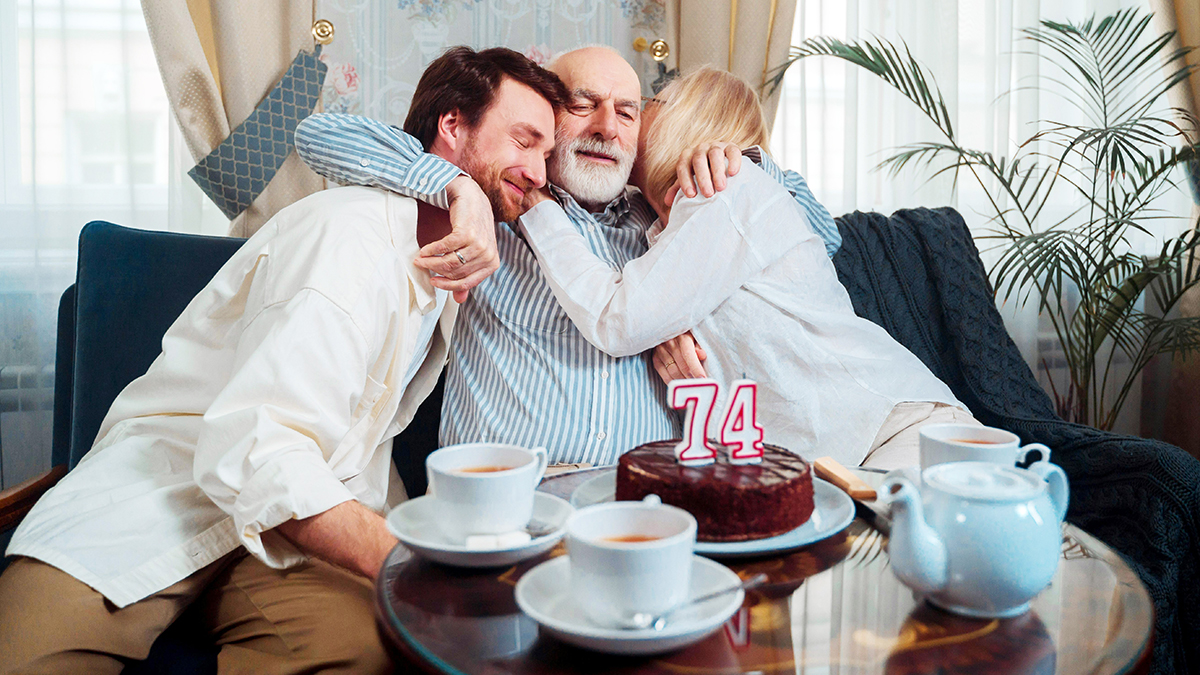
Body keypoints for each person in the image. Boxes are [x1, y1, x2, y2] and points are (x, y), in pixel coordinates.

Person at [0, 46, 567, 674]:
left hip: (287, 533)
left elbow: (353, 441)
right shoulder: (349, 244)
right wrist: (416, 563)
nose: (540, 171)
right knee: (30, 657)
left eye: (547, 154)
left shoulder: (450, 273)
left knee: (362, 648)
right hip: (162, 496)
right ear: (453, 126)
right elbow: (262, 446)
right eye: (524, 140)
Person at [295, 46, 841, 467]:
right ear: (546, 125)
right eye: (583, 105)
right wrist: (455, 188)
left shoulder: (672, 227)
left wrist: (746, 164)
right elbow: (320, 134)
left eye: (627, 113)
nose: (606, 125)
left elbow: (828, 237)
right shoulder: (495, 208)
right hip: (505, 507)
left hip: (638, 512)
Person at [518, 67, 979, 469]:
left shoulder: (730, 189)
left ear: (691, 118)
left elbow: (615, 320)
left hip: (897, 431)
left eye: (646, 104)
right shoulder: (660, 224)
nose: (627, 122)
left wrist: (534, 204)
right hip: (824, 461)